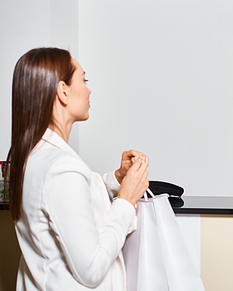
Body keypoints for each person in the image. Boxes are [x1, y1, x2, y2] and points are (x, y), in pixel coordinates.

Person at [6, 47, 149, 290]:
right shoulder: (62, 168)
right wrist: (125, 201)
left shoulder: (33, 158)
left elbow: (65, 201)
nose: (89, 89)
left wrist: (116, 179)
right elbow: (91, 270)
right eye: (84, 80)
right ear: (63, 91)